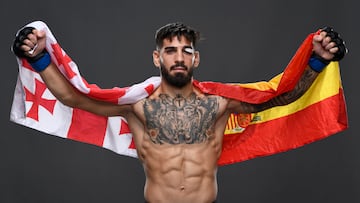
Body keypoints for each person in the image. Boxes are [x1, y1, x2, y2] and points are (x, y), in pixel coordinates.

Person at [12, 22, 346, 203]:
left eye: (186, 51)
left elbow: (280, 98)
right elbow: (74, 98)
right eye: (170, 51)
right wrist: (40, 58)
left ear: (195, 59)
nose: (179, 57)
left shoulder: (219, 104)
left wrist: (316, 61)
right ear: (157, 59)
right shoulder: (137, 106)